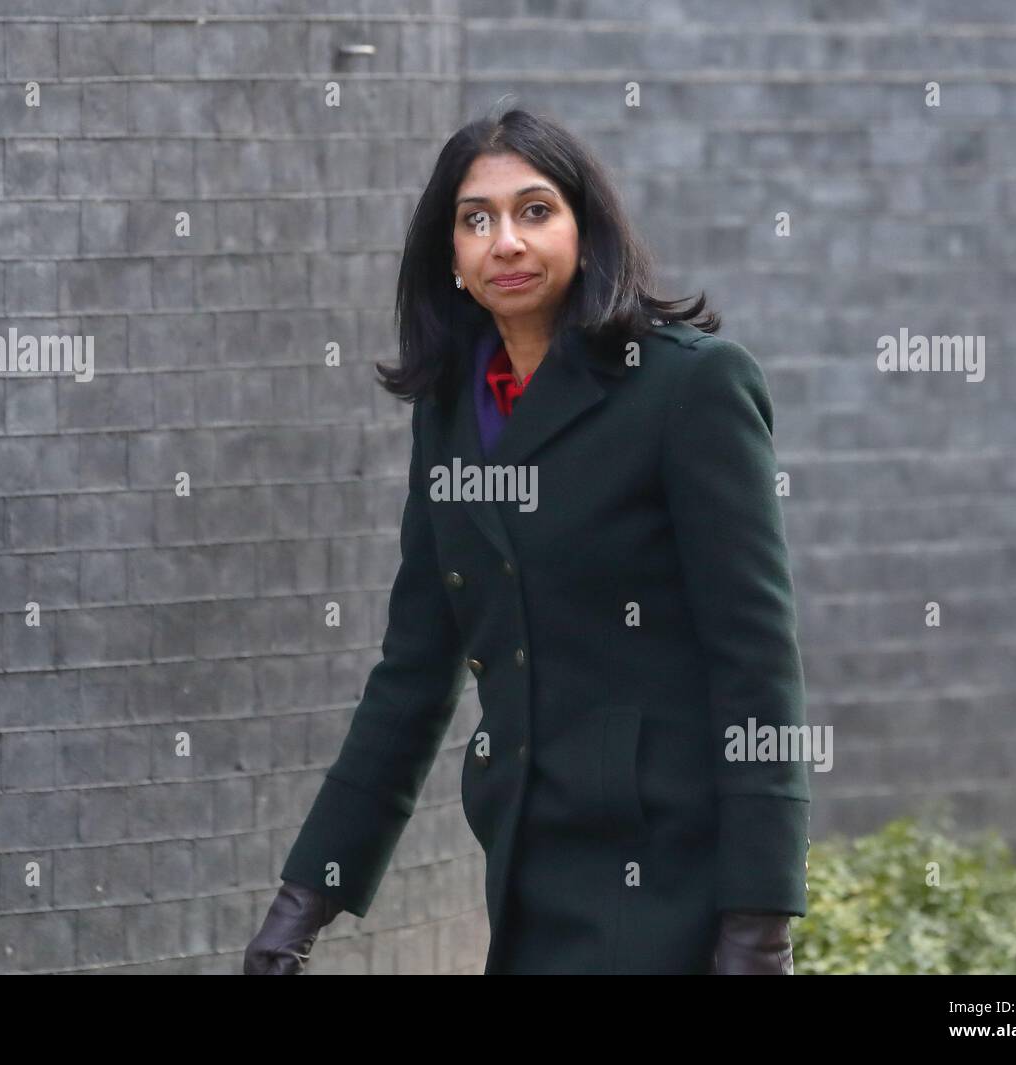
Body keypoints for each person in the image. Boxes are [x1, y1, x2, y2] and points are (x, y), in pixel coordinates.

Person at [245, 103, 809, 975]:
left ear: (587, 231)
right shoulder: (450, 413)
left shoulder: (689, 388)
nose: (505, 241)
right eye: (476, 220)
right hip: (525, 868)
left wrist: (759, 925)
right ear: (451, 256)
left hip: (674, 874)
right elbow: (413, 670)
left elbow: (758, 666)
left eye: (535, 211)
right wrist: (303, 899)